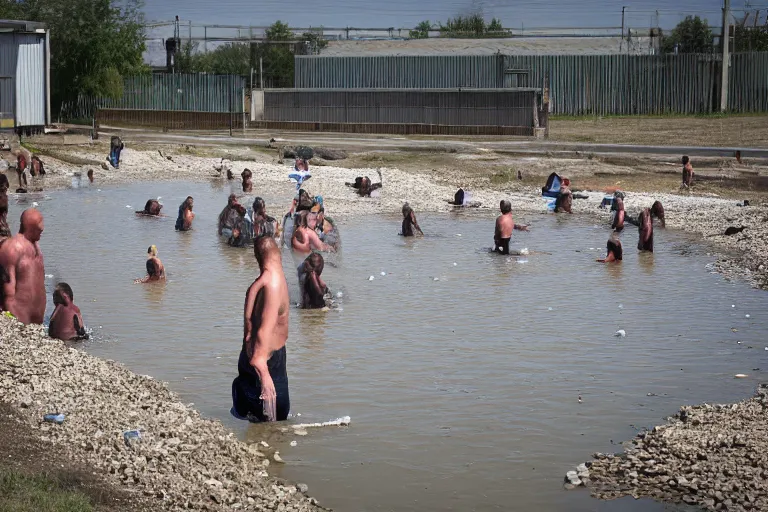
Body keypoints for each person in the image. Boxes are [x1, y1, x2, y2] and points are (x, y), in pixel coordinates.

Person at [232, 236, 291, 422]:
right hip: (266, 360)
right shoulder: (273, 282)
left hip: (262, 359)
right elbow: (261, 332)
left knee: (260, 421)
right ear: (276, 253)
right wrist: (263, 372)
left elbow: (252, 328)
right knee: (274, 419)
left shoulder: (263, 282)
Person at [0, 209, 45, 324]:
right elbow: (8, 292)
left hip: (38, 323)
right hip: (21, 321)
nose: (42, 229)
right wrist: (14, 323)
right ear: (29, 227)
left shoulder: (36, 246)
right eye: (38, 228)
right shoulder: (12, 248)